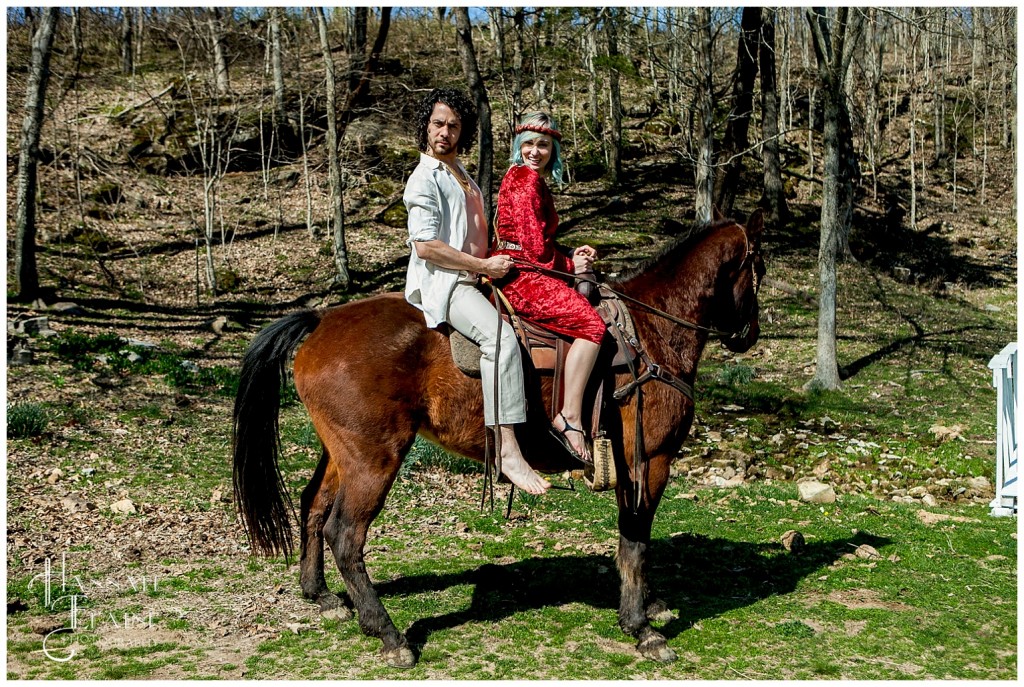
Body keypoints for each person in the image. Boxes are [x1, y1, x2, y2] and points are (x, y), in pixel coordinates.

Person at [403, 88, 550, 494]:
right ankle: (507, 451)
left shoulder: (462, 174)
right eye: (438, 124)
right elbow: (426, 245)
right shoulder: (423, 179)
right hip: (450, 283)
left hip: (480, 275)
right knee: (500, 341)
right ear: (426, 126)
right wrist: (482, 266)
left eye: (453, 125)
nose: (444, 132)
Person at [492, 112, 604, 464]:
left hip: (522, 265)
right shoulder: (526, 181)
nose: (535, 151)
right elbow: (536, 251)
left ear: (552, 150)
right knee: (593, 326)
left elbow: (538, 239)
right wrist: (573, 266)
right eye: (528, 143)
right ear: (517, 146)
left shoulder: (524, 178)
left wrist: (570, 252)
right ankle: (569, 417)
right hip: (523, 275)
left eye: (543, 145)